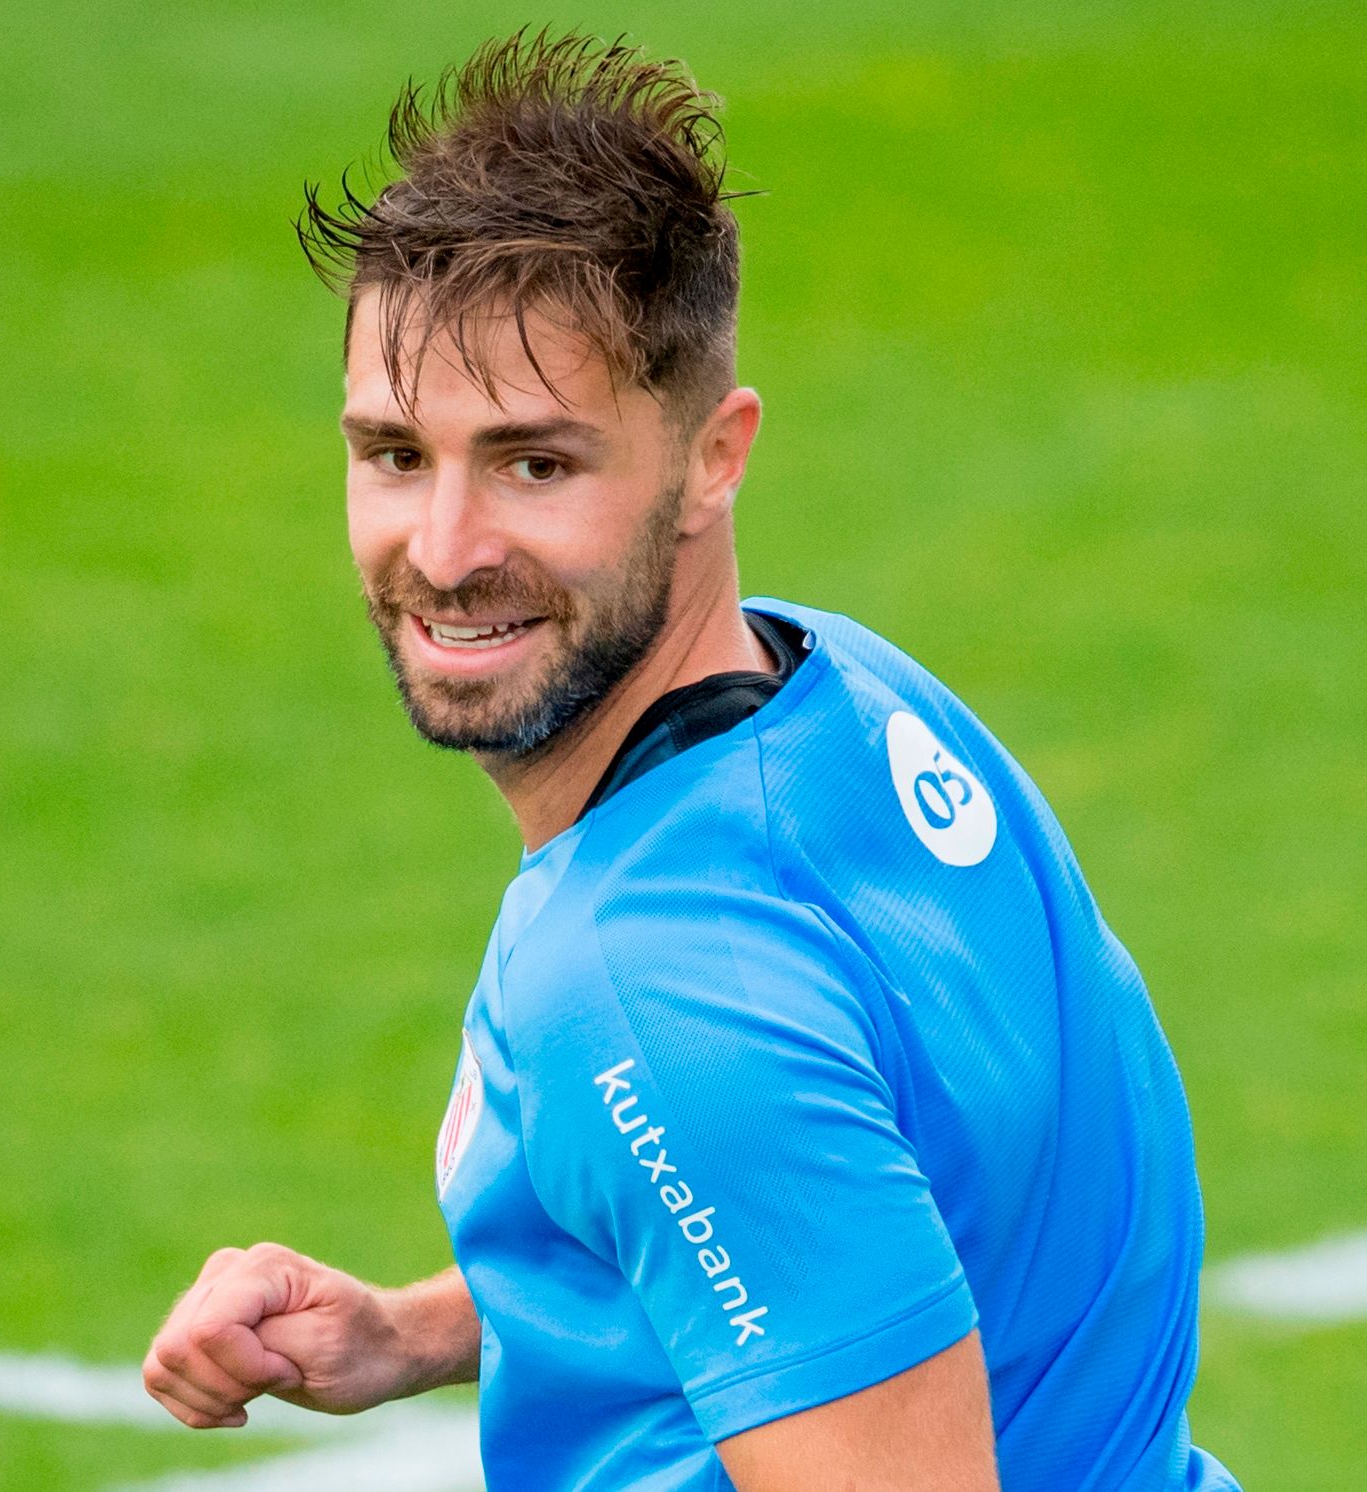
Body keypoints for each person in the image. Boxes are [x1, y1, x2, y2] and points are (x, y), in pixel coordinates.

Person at [142, 30, 1238, 1492]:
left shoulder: (644, 986)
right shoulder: (850, 693)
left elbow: (740, 1124)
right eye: (396, 454)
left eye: (536, 464)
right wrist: (416, 1331)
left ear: (713, 455)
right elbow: (845, 1213)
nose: (447, 552)